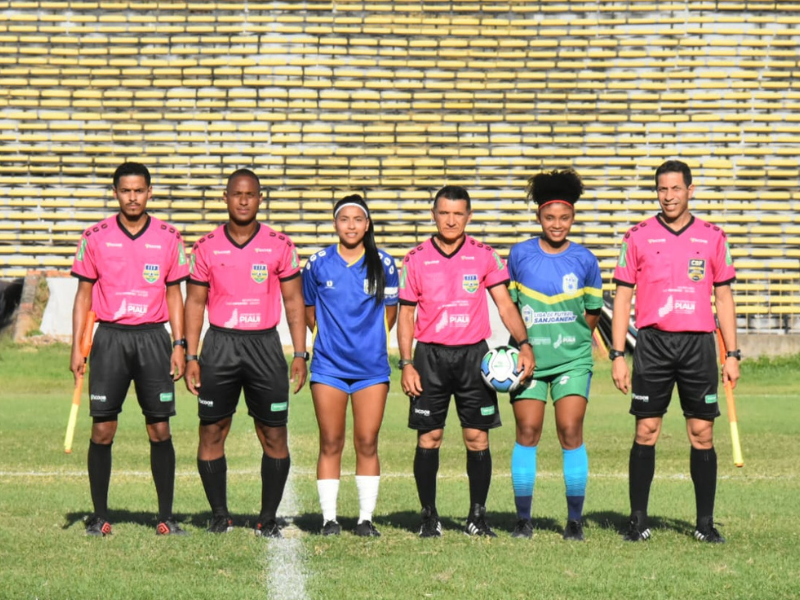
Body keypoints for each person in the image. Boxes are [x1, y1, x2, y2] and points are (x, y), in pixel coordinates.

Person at [611, 159, 740, 543]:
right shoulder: (637, 236)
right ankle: (637, 521)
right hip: (652, 344)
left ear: (690, 190)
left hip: (698, 344)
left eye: (676, 189)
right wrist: (618, 355)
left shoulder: (713, 237)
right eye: (662, 189)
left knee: (702, 433)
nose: (668, 196)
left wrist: (732, 354)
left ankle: (704, 523)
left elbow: (724, 297)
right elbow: (622, 297)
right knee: (646, 429)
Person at [398, 185, 535, 538]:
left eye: (458, 214)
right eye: (444, 213)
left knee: (477, 438)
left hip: (474, 356)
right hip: (430, 356)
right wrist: (406, 363)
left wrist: (524, 344)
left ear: (469, 216)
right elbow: (406, 315)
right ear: (433, 215)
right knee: (429, 437)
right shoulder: (415, 259)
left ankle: (477, 516)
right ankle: (429, 516)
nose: (450, 220)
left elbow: (505, 305)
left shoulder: (484, 255)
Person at [184, 168, 308, 538]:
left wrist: (300, 352)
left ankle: (267, 519)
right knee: (212, 431)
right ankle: (219, 515)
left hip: (264, 346)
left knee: (273, 434)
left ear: (260, 199)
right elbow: (194, 303)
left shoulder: (280, 245)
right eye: (236, 194)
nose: (242, 200)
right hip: (220, 345)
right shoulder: (206, 246)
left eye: (250, 194)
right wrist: (191, 356)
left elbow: (293, 301)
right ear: (225, 198)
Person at [70, 161, 189, 536]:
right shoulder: (95, 236)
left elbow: (175, 294)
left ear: (149, 192)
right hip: (110, 339)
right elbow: (83, 295)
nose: (132, 197)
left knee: (159, 429)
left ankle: (166, 517)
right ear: (115, 193)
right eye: (125, 190)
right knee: (102, 429)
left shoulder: (169, 237)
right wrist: (77, 346)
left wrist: (179, 344)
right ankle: (99, 516)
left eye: (139, 190)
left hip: (153, 338)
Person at [506, 169, 603, 541]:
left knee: (570, 430)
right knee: (527, 431)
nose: (557, 224)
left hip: (572, 359)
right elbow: (510, 307)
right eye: (550, 217)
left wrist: (573, 340)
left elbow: (592, 313)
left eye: (564, 217)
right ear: (539, 217)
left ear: (573, 217)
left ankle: (574, 520)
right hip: (529, 359)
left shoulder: (585, 260)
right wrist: (525, 344)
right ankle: (523, 520)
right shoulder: (520, 255)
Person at [302, 194, 399, 537]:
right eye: (345, 219)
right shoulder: (317, 263)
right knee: (330, 441)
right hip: (329, 367)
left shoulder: (384, 263)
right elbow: (309, 311)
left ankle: (364, 519)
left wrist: (368, 342)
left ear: (367, 224)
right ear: (335, 223)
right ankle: (329, 519)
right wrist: (329, 339)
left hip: (371, 369)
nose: (351, 226)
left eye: (358, 219)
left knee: (367, 441)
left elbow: (390, 314)